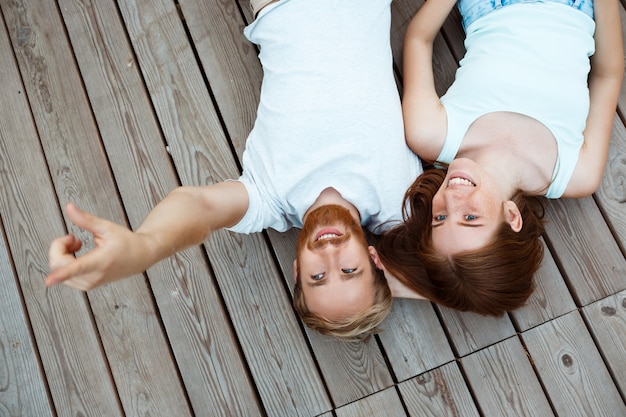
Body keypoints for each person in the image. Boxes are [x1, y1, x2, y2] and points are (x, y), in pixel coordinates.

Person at [46, 0, 423, 340]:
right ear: (375, 259)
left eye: (318, 277)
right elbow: (469, 285)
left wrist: (145, 247)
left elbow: (200, 207)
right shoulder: (399, 203)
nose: (329, 254)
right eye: (350, 270)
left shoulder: (269, 198)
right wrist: (398, 283)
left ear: (296, 271)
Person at [377, 0, 623, 315]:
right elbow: (607, 74)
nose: (451, 201)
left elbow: (418, 39)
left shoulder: (431, 133)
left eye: (439, 218)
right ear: (512, 217)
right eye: (470, 218)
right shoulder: (576, 172)